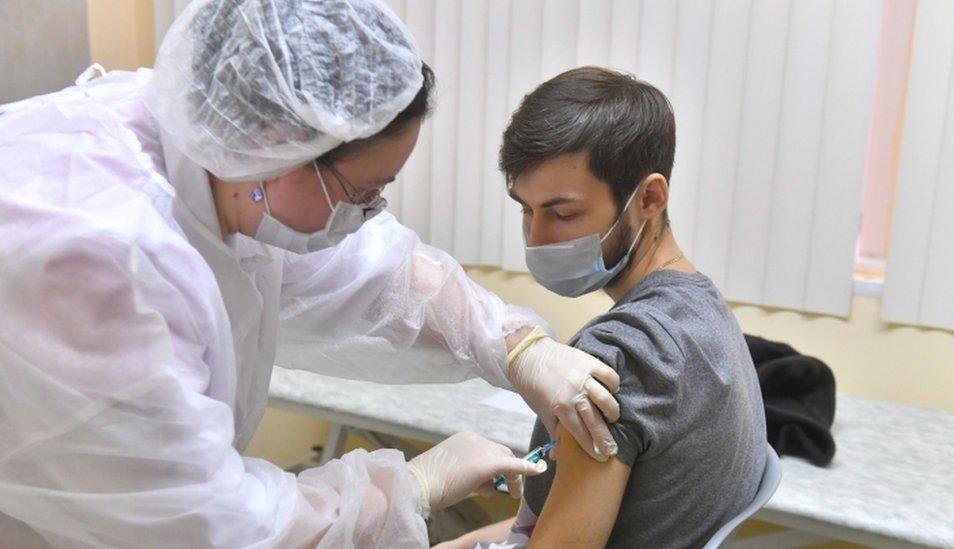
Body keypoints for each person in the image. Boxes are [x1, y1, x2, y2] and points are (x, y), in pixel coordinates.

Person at [0, 3, 623, 547]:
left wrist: (515, 344)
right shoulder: (97, 258)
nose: (367, 217)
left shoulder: (216, 142)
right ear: (282, 148)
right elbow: (206, 527)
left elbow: (380, 276)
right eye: (363, 191)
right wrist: (408, 487)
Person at [439, 67, 767, 548]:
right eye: (525, 210)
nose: (536, 239)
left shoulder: (624, 355)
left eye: (563, 212)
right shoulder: (703, 307)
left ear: (649, 198)